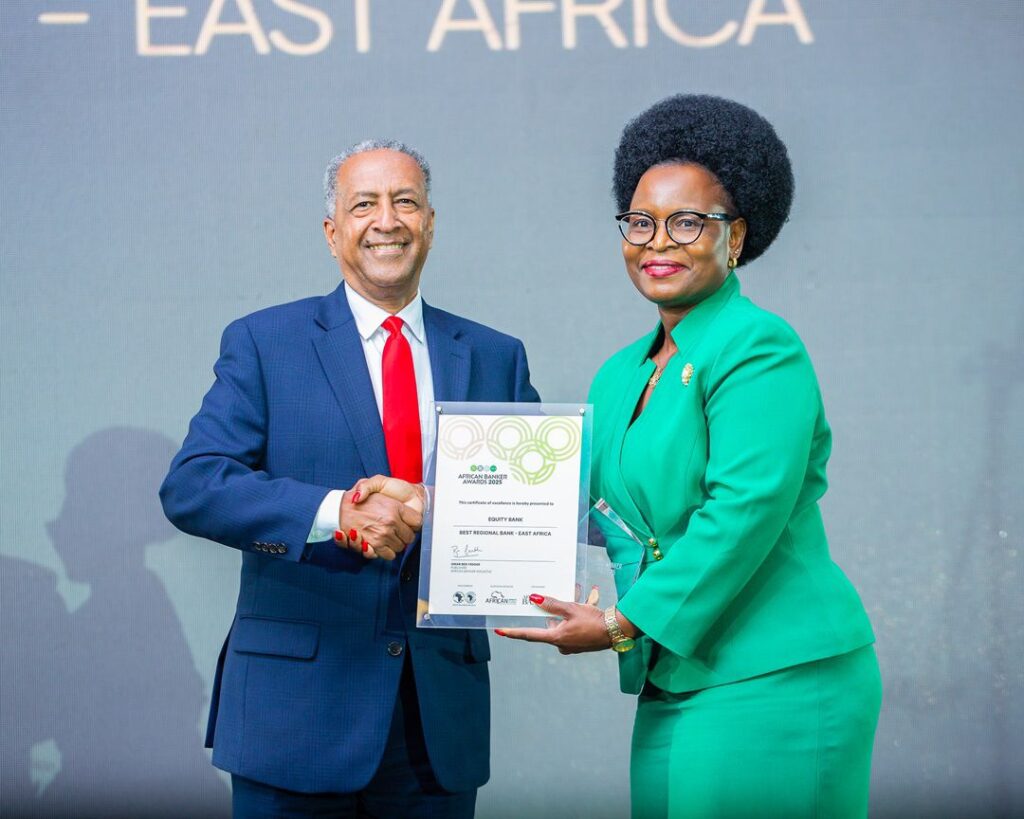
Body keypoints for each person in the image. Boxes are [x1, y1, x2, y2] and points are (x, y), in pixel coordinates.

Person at [494, 95, 882, 817]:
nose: (657, 242)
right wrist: (446, 507)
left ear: (736, 236)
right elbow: (598, 514)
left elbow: (743, 510)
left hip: (775, 673)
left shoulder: (758, 347)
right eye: (641, 222)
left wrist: (623, 623)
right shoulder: (621, 373)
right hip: (674, 674)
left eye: (686, 222)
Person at [160, 139, 539, 818]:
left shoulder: (493, 356)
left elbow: (538, 503)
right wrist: (337, 511)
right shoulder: (265, 342)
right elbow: (194, 484)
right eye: (364, 204)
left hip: (435, 724)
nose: (386, 220)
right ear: (333, 231)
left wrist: (441, 506)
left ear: (430, 224)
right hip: (294, 717)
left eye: (405, 202)